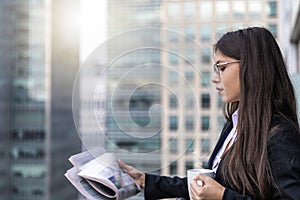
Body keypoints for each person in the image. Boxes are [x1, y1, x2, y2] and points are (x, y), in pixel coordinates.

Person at [118, 26, 300, 200]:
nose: (215, 78)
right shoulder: (235, 124)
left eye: (222, 68)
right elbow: (210, 185)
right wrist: (144, 180)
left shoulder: (280, 136)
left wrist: (222, 197)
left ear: (252, 68)